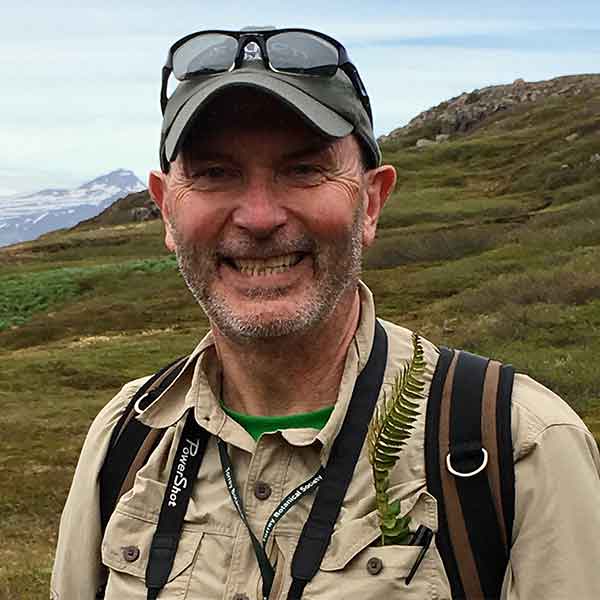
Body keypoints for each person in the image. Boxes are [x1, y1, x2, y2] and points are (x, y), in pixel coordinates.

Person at [51, 27, 600, 600]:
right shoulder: (124, 439)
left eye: (305, 170)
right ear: (166, 210)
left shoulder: (520, 445)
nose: (259, 217)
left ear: (372, 203)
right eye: (215, 173)